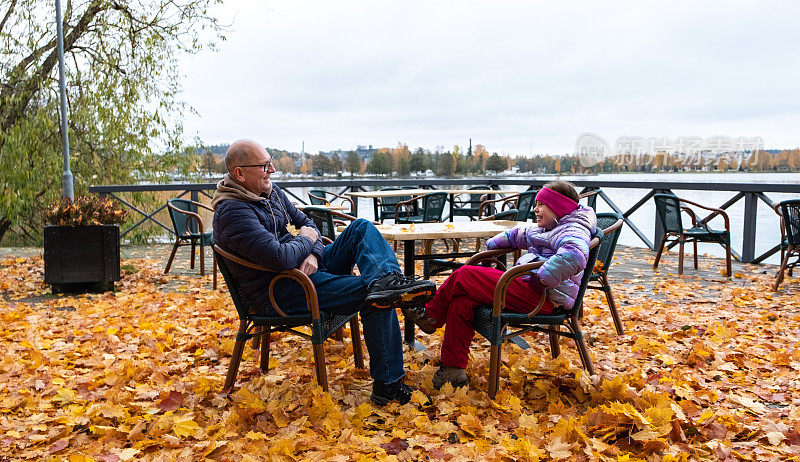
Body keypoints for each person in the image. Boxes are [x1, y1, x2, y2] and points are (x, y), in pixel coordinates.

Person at [211, 139, 436, 405]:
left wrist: (314, 253)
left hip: (303, 271)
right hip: (281, 291)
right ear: (239, 174)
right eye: (264, 165)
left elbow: (309, 224)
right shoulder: (233, 212)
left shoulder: (270, 193)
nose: (271, 169)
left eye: (270, 162)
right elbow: (279, 256)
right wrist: (306, 242)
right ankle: (388, 385)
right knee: (373, 294)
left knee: (361, 228)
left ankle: (388, 281)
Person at [406, 181, 597, 389]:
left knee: (463, 275)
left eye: (541, 204)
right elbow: (517, 234)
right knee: (462, 301)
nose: (535, 209)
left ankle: (431, 316)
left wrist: (539, 281)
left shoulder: (574, 230)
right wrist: (493, 247)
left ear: (558, 208)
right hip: (525, 288)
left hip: (541, 297)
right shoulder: (550, 227)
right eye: (536, 204)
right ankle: (453, 371)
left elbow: (574, 257)